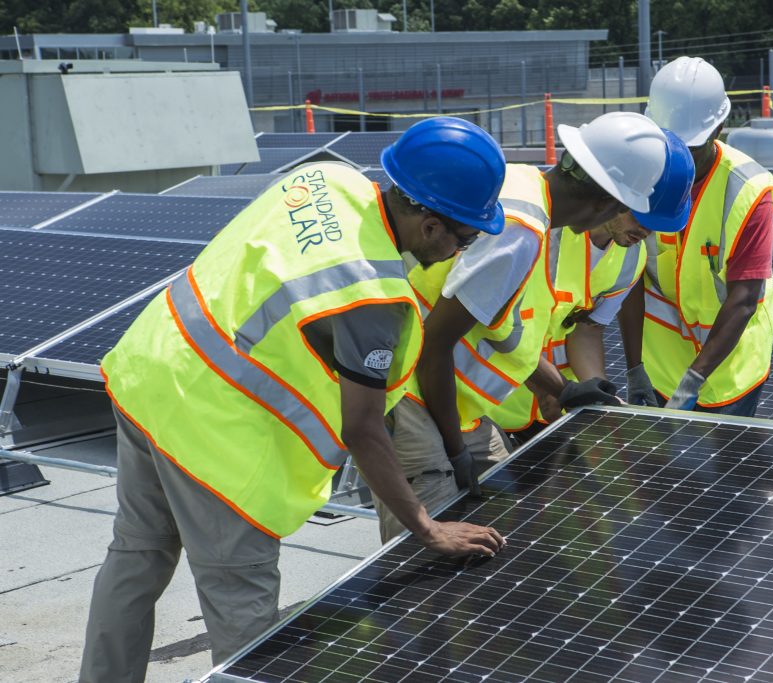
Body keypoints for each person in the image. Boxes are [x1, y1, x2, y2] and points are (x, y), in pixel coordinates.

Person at [79, 117, 509, 683]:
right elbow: (363, 428)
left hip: (152, 371)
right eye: (464, 238)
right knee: (247, 621)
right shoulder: (371, 293)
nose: (460, 252)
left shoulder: (325, 182)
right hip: (215, 440)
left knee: (136, 556)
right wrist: (424, 526)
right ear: (430, 226)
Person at [373, 112, 671, 541]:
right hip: (413, 397)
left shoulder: (527, 192)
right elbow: (435, 346)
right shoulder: (521, 231)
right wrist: (457, 453)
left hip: (454, 401)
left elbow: (500, 329)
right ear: (609, 202)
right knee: (435, 551)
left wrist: (563, 389)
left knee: (498, 524)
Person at [488, 130, 696, 437]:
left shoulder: (630, 257)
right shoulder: (539, 230)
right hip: (491, 401)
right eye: (643, 219)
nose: (647, 234)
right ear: (617, 198)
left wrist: (599, 399)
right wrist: (554, 389)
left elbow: (587, 329)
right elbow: (492, 320)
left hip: (553, 406)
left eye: (656, 227)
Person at [620, 56, 773, 417]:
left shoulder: (747, 192)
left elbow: (743, 300)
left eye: (690, 145)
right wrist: (634, 368)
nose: (678, 156)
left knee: (731, 471)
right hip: (659, 362)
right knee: (659, 473)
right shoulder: (642, 174)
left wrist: (693, 380)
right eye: (669, 142)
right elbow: (629, 276)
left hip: (730, 366)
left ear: (719, 128)